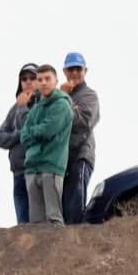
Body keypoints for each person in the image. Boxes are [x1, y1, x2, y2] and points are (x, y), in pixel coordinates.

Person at [21, 65, 74, 224]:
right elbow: (23, 136)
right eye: (40, 79)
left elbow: (47, 131)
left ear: (56, 81)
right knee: (35, 224)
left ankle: (60, 250)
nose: (43, 83)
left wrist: (34, 132)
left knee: (53, 220)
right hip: (32, 168)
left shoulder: (62, 105)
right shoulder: (35, 108)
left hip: (51, 167)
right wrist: (36, 132)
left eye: (47, 79)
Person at [60, 52, 101, 225]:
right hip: (62, 159)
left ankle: (78, 245)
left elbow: (83, 121)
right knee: (63, 208)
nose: (74, 73)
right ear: (64, 71)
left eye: (78, 68)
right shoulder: (59, 95)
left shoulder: (89, 95)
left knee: (75, 205)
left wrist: (64, 99)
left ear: (85, 70)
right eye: (71, 69)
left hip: (81, 156)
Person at [0, 64, 39, 224]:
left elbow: (31, 130)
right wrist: (20, 135)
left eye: (32, 78)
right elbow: (0, 138)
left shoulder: (43, 103)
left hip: (36, 170)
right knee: (22, 226)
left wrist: (22, 108)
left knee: (37, 225)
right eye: (24, 79)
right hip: (17, 171)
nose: (28, 82)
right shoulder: (15, 108)